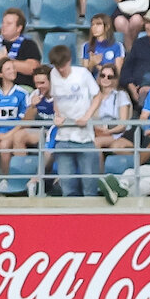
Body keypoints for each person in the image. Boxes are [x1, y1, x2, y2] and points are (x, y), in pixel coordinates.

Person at [49, 44, 102, 197]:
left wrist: (87, 116)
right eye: (57, 66)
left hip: (84, 137)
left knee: (89, 186)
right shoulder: (53, 74)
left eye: (63, 65)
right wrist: (57, 115)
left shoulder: (83, 74)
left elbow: (97, 96)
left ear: (69, 60)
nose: (60, 69)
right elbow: (55, 99)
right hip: (63, 137)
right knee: (67, 185)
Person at [14, 65, 56, 195]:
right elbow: (26, 124)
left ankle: (36, 180)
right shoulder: (35, 94)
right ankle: (22, 177)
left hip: (57, 130)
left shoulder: (60, 95)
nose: (39, 86)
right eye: (37, 83)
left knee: (51, 139)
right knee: (18, 136)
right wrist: (32, 107)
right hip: (40, 130)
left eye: (42, 83)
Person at [92, 63, 134, 156]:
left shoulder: (121, 95)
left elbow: (123, 124)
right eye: (103, 76)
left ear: (114, 79)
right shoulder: (94, 96)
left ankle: (98, 171)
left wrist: (108, 132)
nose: (105, 79)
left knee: (96, 143)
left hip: (118, 133)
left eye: (109, 77)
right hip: (99, 131)